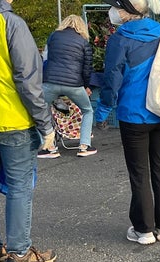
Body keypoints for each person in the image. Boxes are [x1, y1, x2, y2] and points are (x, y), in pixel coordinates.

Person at [0, 0, 58, 262]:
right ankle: (18, 252)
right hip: (13, 121)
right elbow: (28, 80)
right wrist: (45, 125)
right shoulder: (11, 24)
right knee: (19, 188)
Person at [97, 0, 160, 245]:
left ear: (124, 11)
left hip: (133, 113)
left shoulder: (120, 38)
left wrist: (102, 110)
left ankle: (143, 230)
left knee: (139, 173)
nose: (112, 11)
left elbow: (112, 76)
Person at [39, 14, 97, 158]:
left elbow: (46, 58)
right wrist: (86, 86)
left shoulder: (53, 37)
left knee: (41, 110)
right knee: (87, 110)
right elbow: (87, 68)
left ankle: (49, 147)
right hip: (74, 84)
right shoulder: (83, 42)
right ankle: (84, 146)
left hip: (50, 82)